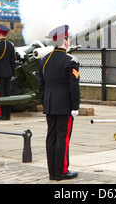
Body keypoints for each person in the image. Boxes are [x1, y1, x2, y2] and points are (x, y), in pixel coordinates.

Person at [38, 25, 80, 181]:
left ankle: (52, 172)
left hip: (49, 105)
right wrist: (75, 107)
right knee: (63, 138)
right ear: (66, 41)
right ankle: (61, 171)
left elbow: (41, 86)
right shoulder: (71, 61)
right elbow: (74, 86)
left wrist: (45, 102)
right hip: (65, 106)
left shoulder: (44, 60)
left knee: (51, 137)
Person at [0, 24, 15, 120]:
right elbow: (12, 61)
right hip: (8, 73)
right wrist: (12, 73)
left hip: (0, 74)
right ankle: (8, 115)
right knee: (7, 94)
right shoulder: (11, 45)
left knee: (0, 94)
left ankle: (2, 114)